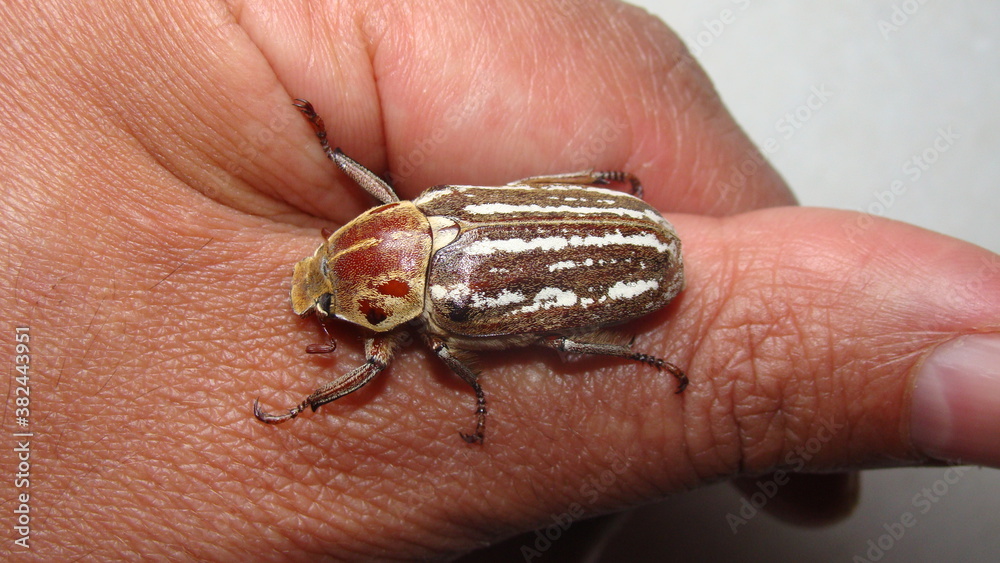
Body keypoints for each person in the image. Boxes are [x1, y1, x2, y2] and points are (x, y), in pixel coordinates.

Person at [1, 0, 996, 559]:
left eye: (343, 288)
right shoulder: (424, 209)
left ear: (381, 261)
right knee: (529, 284)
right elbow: (428, 233)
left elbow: (418, 371)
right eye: (341, 284)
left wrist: (325, 399)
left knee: (561, 346)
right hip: (594, 217)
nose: (330, 289)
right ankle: (634, 331)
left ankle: (643, 359)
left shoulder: (440, 314)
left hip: (622, 265)